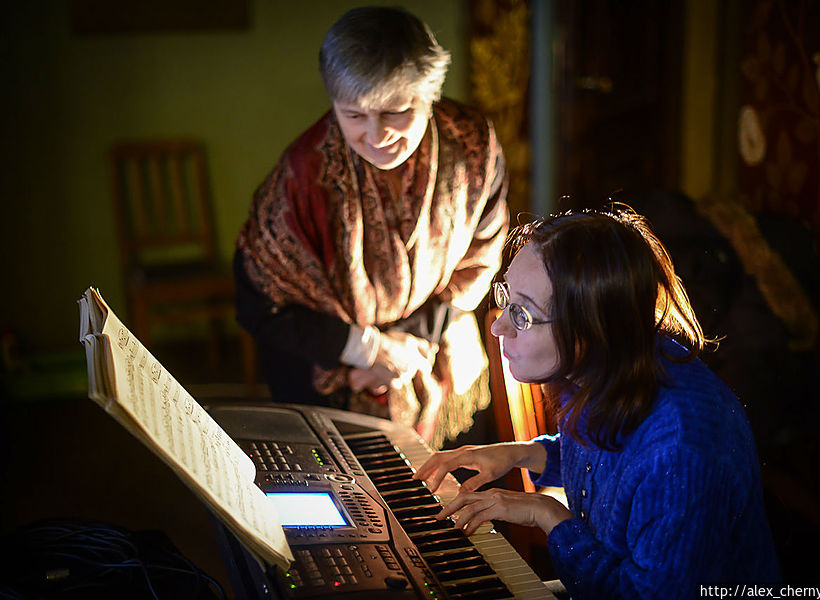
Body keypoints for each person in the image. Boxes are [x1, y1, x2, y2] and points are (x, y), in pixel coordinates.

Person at [414, 207, 780, 599]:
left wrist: (546, 513)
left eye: (522, 315)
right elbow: (612, 462)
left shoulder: (682, 449)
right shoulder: (610, 362)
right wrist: (521, 454)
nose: (498, 325)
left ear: (590, 328)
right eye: (506, 296)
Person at [234, 6, 508, 448]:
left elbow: (483, 247)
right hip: (330, 380)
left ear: (429, 95)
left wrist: (410, 344)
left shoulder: (470, 144)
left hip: (437, 351)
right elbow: (260, 303)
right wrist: (366, 350)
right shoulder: (303, 175)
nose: (377, 136)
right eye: (354, 116)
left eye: (396, 111)